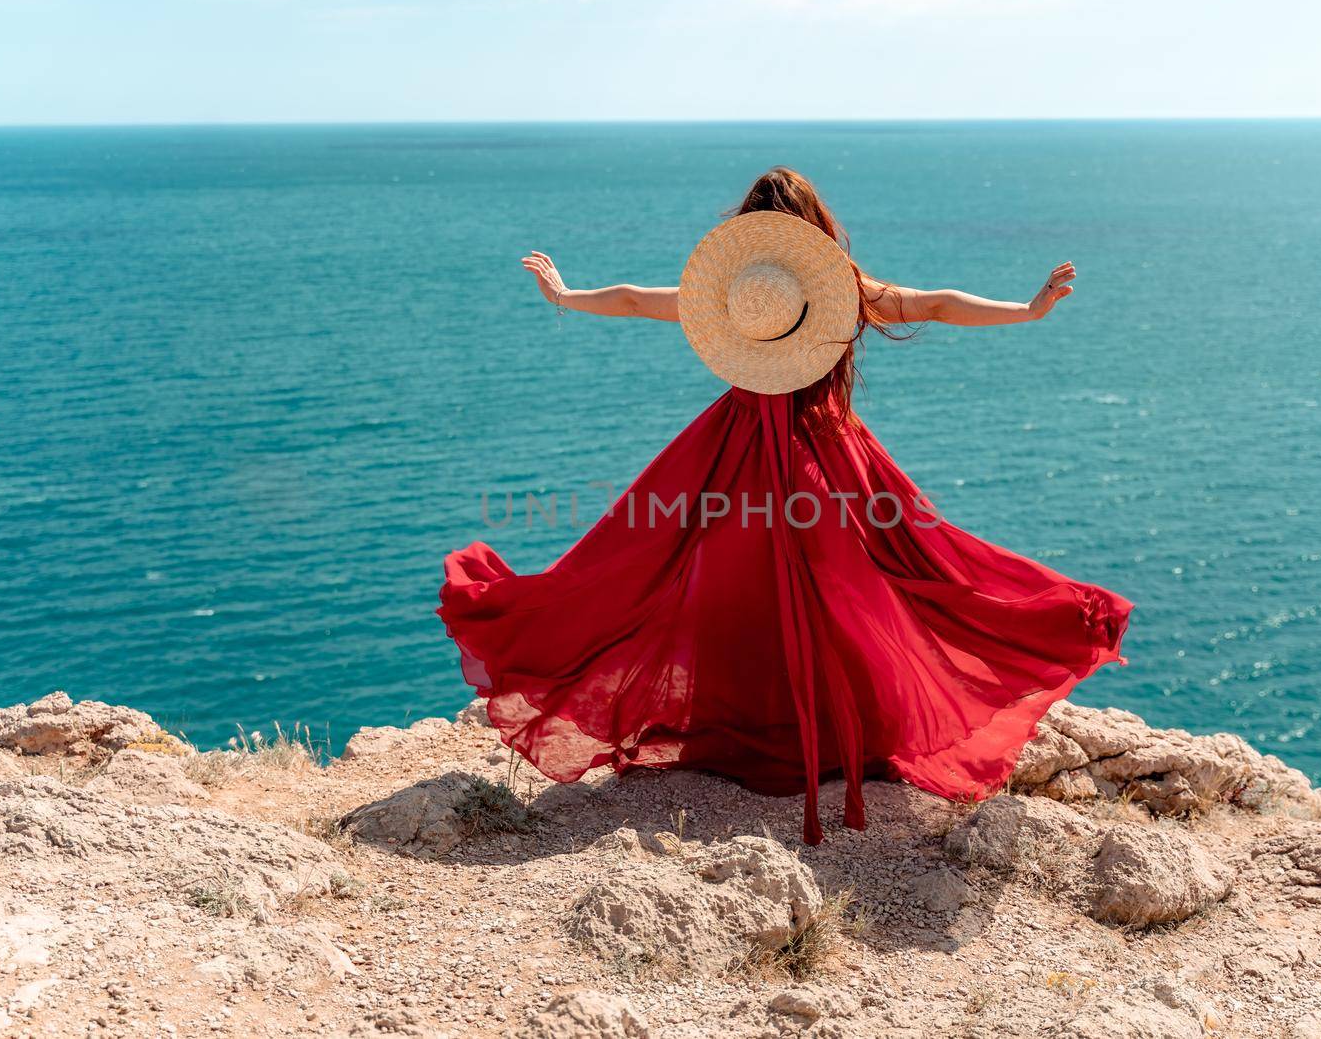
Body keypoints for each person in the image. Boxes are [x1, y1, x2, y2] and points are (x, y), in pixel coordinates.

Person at [440, 167, 1131, 845]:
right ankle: (848, 730)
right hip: (827, 463)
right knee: (886, 582)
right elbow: (937, 303)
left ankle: (750, 730)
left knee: (683, 577)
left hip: (729, 456)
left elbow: (632, 298)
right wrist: (1026, 309)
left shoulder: (736, 294)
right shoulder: (835, 291)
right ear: (816, 236)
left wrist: (567, 294)